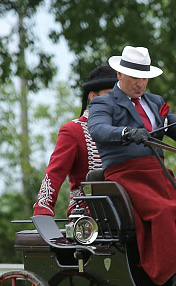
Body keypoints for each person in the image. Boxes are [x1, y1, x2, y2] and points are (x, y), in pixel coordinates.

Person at [88, 46, 176, 285]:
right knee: (165, 212)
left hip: (158, 174)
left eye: (144, 77)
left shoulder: (155, 102)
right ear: (119, 75)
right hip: (125, 176)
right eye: (135, 77)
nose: (140, 83)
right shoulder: (103, 104)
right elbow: (98, 129)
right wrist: (125, 132)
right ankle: (172, 274)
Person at [33, 65, 117, 216]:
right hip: (86, 212)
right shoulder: (73, 131)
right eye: (109, 95)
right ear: (93, 97)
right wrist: (43, 210)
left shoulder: (127, 129)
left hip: (126, 210)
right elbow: (55, 173)